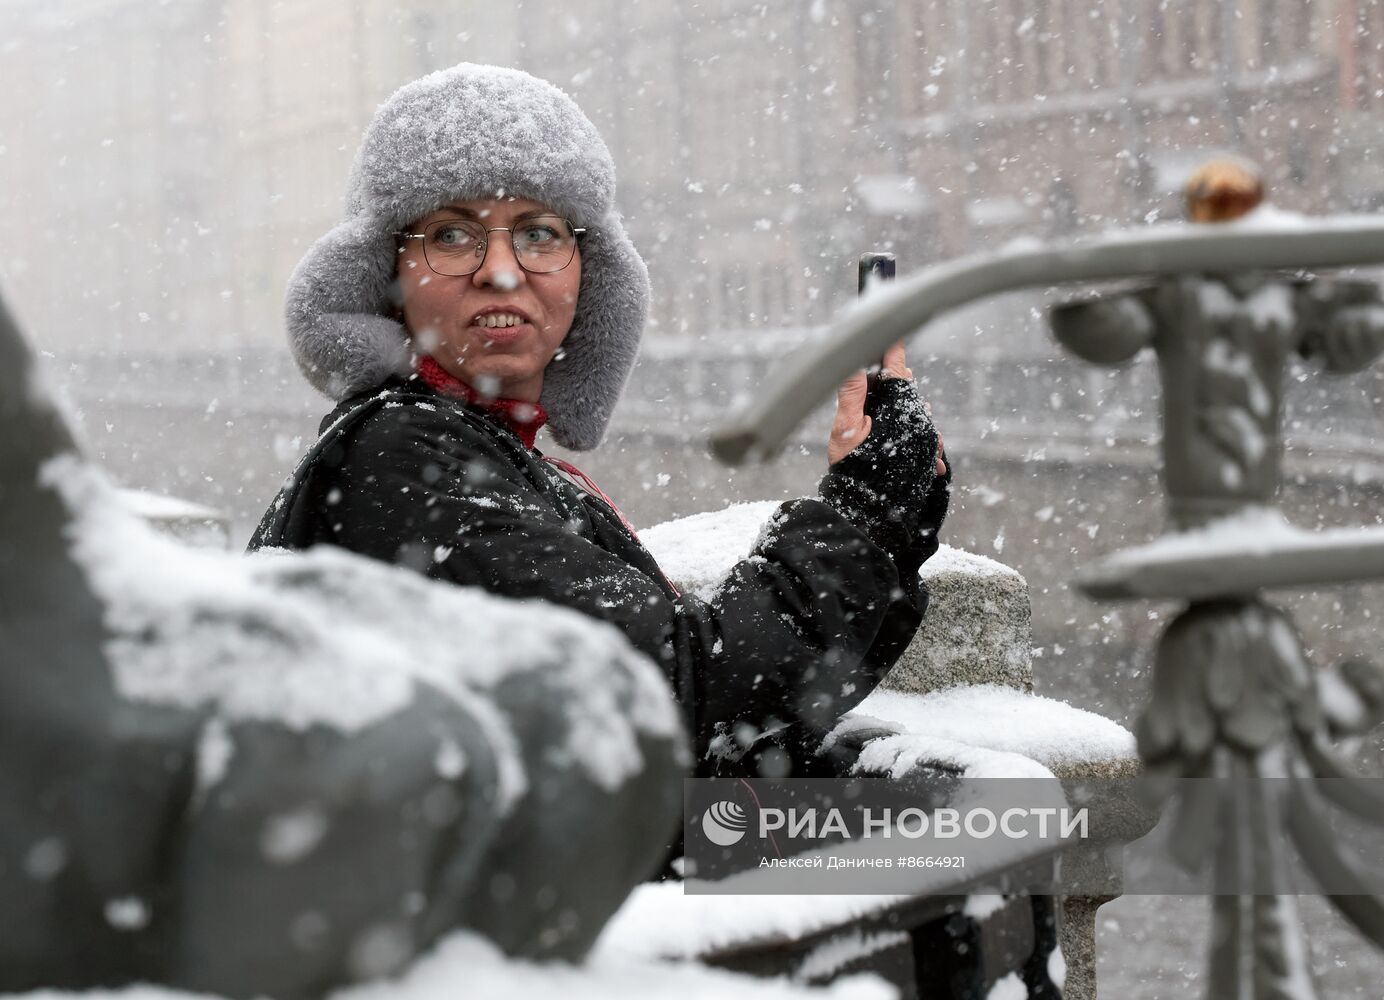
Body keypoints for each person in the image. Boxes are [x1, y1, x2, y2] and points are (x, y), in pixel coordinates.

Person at [251, 62, 951, 779]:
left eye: (539, 233)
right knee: (977, 824)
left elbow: (728, 719)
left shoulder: (486, 453)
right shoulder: (400, 457)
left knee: (970, 812)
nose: (500, 270)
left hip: (543, 868)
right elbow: (673, 695)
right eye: (452, 236)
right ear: (385, 276)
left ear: (592, 276)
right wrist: (864, 509)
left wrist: (894, 513)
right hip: (503, 884)